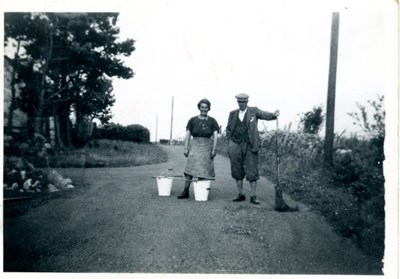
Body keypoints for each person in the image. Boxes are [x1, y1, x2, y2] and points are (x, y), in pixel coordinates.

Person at [226, 93, 279, 204]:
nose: (241, 104)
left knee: (252, 169)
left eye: (243, 102)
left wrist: (274, 115)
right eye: (239, 102)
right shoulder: (232, 114)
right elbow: (228, 129)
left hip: (250, 144)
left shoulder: (253, 111)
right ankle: (240, 194)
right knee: (236, 169)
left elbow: (264, 115)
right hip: (235, 144)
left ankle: (253, 196)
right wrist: (230, 141)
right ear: (237, 102)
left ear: (247, 102)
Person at [177, 98, 219, 199]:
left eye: (206, 107)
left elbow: (216, 135)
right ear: (199, 108)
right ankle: (186, 191)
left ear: (209, 108)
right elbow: (188, 134)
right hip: (195, 145)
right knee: (189, 169)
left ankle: (200, 192)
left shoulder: (212, 121)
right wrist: (186, 148)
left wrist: (214, 149)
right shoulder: (192, 120)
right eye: (202, 107)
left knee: (203, 170)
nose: (204, 109)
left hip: (207, 146)